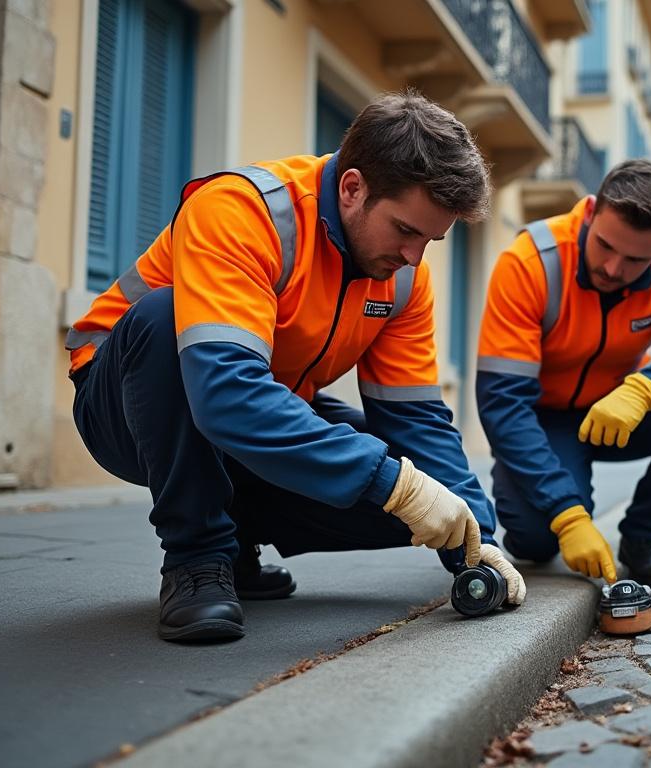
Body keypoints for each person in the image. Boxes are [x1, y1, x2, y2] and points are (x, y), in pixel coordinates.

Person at [65, 91, 524, 643]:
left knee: (425, 497)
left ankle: (237, 537)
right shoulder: (241, 209)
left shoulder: (402, 278)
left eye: (430, 240)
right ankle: (197, 558)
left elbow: (416, 418)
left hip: (253, 412)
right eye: (405, 231)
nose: (413, 257)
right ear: (353, 188)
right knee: (167, 318)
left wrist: (476, 542)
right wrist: (394, 484)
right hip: (126, 405)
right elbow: (226, 393)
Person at [475, 159, 651, 588]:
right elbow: (502, 402)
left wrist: (647, 388)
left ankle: (642, 539)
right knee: (535, 540)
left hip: (624, 411)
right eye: (605, 245)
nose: (614, 269)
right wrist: (568, 516)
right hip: (544, 418)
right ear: (588, 214)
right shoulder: (530, 262)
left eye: (636, 258)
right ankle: (555, 511)